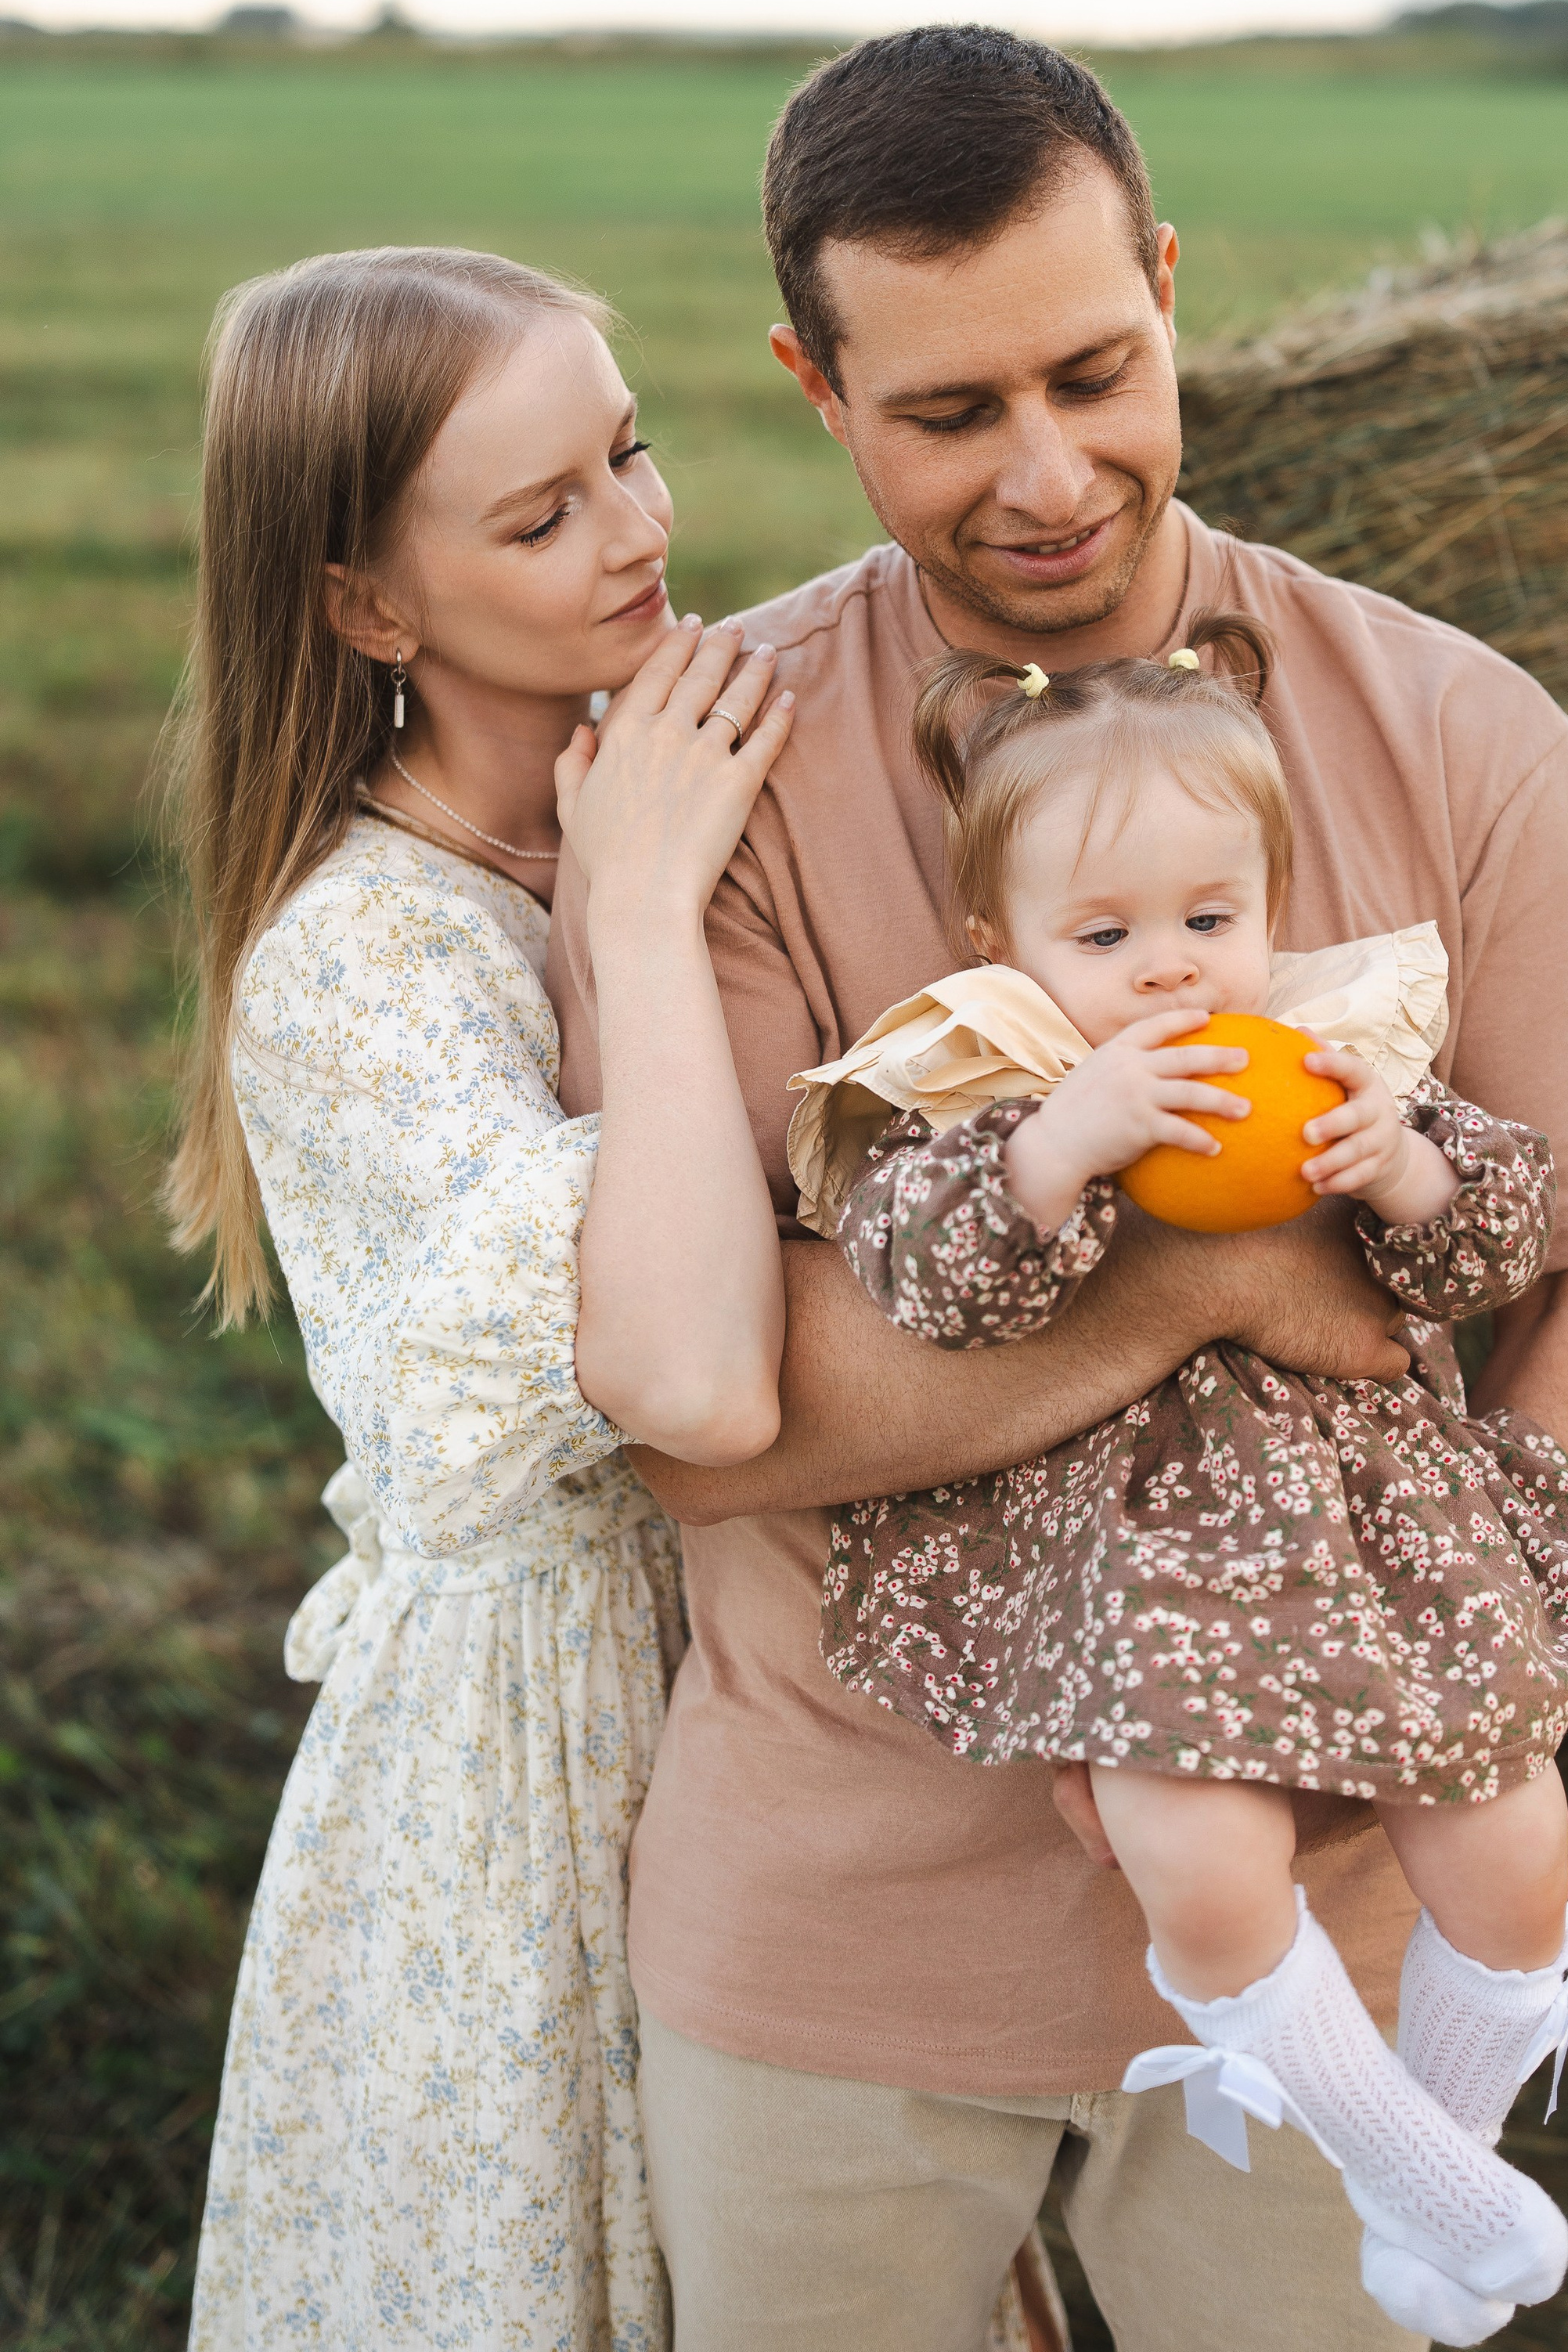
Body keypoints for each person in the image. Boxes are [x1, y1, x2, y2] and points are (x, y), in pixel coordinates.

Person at [550, 26, 1568, 2352]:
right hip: (837, 1933)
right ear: (813, 385)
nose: (1048, 475)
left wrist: (1464, 1662)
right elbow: (712, 1408)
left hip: (1351, 1932)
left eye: (1099, 370)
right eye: (947, 411)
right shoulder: (717, 785)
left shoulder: (1462, 732)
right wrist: (1248, 1283)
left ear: (1175, 287)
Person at [795, 621, 1568, 2346]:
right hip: (1141, 1578)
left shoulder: (1339, 1063)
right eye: (1102, 938)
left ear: (1266, 901)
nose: (1169, 974)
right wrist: (1060, 1151)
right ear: (999, 945)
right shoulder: (993, 1098)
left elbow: (1496, 1241)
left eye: (1206, 920)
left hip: (1372, 1551)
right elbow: (931, 1290)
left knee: (1510, 1827)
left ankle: (1437, 2164)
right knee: (1200, 1858)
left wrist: (1396, 1171)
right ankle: (1392, 2158)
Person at [170, 245, 795, 2350]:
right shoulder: (358, 974)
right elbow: (689, 1367)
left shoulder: (701, 772)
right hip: (543, 1750)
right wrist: (632, 909)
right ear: (368, 604)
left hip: (796, 1686)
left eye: (629, 452)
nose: (638, 531)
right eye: (540, 516)